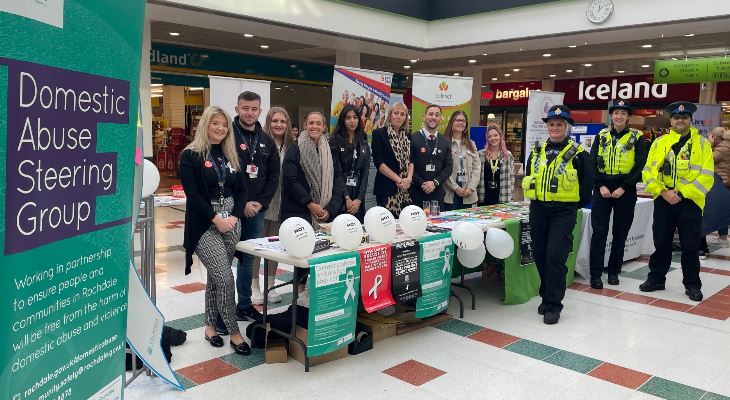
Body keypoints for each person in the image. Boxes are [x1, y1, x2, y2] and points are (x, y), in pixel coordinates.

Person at [179, 106, 250, 355]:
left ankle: (209, 326)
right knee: (224, 277)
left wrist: (235, 217)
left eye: (224, 124)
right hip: (204, 223)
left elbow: (241, 191)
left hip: (231, 221)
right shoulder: (191, 155)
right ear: (205, 125)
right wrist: (215, 218)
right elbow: (193, 195)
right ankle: (234, 332)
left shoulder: (230, 154)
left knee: (215, 276)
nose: (220, 128)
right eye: (215, 123)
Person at [523, 105, 592, 324]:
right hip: (539, 209)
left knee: (556, 256)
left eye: (559, 124)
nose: (555, 128)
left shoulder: (579, 153)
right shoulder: (536, 151)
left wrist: (571, 204)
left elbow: (587, 183)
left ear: (566, 126)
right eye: (551, 124)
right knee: (541, 255)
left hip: (564, 211)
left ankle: (554, 304)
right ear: (547, 127)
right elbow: (529, 176)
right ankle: (546, 295)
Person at [640, 102, 714, 301]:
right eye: (676, 118)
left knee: (690, 246)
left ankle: (692, 285)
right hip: (663, 200)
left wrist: (680, 194)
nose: (680, 121)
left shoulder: (702, 144)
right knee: (661, 242)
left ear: (690, 120)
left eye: (684, 117)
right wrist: (663, 192)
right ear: (671, 120)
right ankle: (656, 279)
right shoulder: (659, 142)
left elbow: (707, 176)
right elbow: (647, 172)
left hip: (690, 202)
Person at [229, 91, 279, 326]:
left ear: (260, 110)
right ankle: (222, 307)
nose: (249, 113)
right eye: (245, 108)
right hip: (230, 210)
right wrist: (242, 204)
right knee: (224, 260)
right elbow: (223, 175)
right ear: (237, 108)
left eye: (254, 109)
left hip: (257, 210)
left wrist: (260, 203)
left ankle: (245, 305)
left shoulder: (267, 141)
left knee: (248, 260)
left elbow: (273, 177)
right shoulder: (226, 136)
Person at [588, 100, 648, 289]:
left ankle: (614, 272)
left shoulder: (637, 137)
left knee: (620, 233)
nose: (619, 116)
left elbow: (640, 164)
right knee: (599, 232)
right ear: (611, 116)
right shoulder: (602, 135)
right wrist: (600, 185)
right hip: (602, 188)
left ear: (628, 117)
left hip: (626, 189)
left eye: (623, 113)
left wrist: (625, 186)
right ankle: (596, 274)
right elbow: (592, 162)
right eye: (616, 113)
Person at [250, 107, 294, 305]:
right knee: (257, 246)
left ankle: (270, 285)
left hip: (282, 203)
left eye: (283, 121)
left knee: (274, 246)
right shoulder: (260, 143)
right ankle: (254, 286)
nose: (279, 124)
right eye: (275, 121)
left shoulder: (291, 146)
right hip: (261, 201)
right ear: (268, 122)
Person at [282, 111, 343, 226]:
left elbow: (338, 179)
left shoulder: (331, 149)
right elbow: (291, 180)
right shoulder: (294, 148)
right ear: (305, 126)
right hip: (299, 212)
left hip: (326, 213)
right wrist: (310, 204)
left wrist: (330, 209)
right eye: (311, 123)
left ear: (324, 127)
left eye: (318, 123)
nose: (314, 126)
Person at [371, 102, 414, 216]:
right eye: (396, 113)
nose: (398, 116)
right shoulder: (379, 134)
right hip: (387, 189)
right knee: (387, 225)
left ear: (405, 118)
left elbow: (411, 160)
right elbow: (379, 163)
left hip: (406, 189)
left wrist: (408, 179)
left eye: (402, 114)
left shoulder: (408, 136)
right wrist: (399, 180)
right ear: (390, 115)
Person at [330, 104, 371, 222]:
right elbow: (337, 172)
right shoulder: (334, 141)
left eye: (355, 117)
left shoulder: (363, 141)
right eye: (348, 118)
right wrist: (347, 198)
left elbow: (365, 172)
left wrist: (359, 199)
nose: (352, 121)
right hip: (339, 194)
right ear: (343, 120)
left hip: (357, 194)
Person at [410, 105, 453, 209]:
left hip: (437, 194)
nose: (433, 117)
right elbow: (408, 164)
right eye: (430, 114)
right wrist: (422, 183)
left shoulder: (445, 141)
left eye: (437, 115)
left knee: (437, 225)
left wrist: (434, 183)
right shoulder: (412, 138)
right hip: (416, 193)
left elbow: (448, 167)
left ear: (440, 118)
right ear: (424, 116)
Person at [443, 111, 480, 210]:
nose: (461, 123)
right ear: (452, 122)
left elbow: (477, 168)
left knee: (466, 223)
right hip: (450, 191)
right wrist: (456, 188)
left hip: (468, 191)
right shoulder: (444, 142)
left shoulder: (471, 144)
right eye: (458, 120)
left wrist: (471, 188)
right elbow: (442, 169)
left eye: (463, 121)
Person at [477, 125, 515, 205]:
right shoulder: (481, 154)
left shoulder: (508, 155)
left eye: (495, 135)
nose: (493, 138)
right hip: (484, 197)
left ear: (500, 136)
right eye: (490, 136)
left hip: (502, 197)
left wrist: (511, 195)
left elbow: (512, 177)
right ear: (487, 139)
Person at [708, 127, 729, 244]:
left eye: (711, 136)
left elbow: (708, 158)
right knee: (722, 210)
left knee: (720, 211)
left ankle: (723, 238)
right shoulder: (725, 146)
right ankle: (723, 237)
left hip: (722, 182)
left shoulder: (722, 149)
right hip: (724, 182)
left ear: (715, 137)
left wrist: (709, 145)